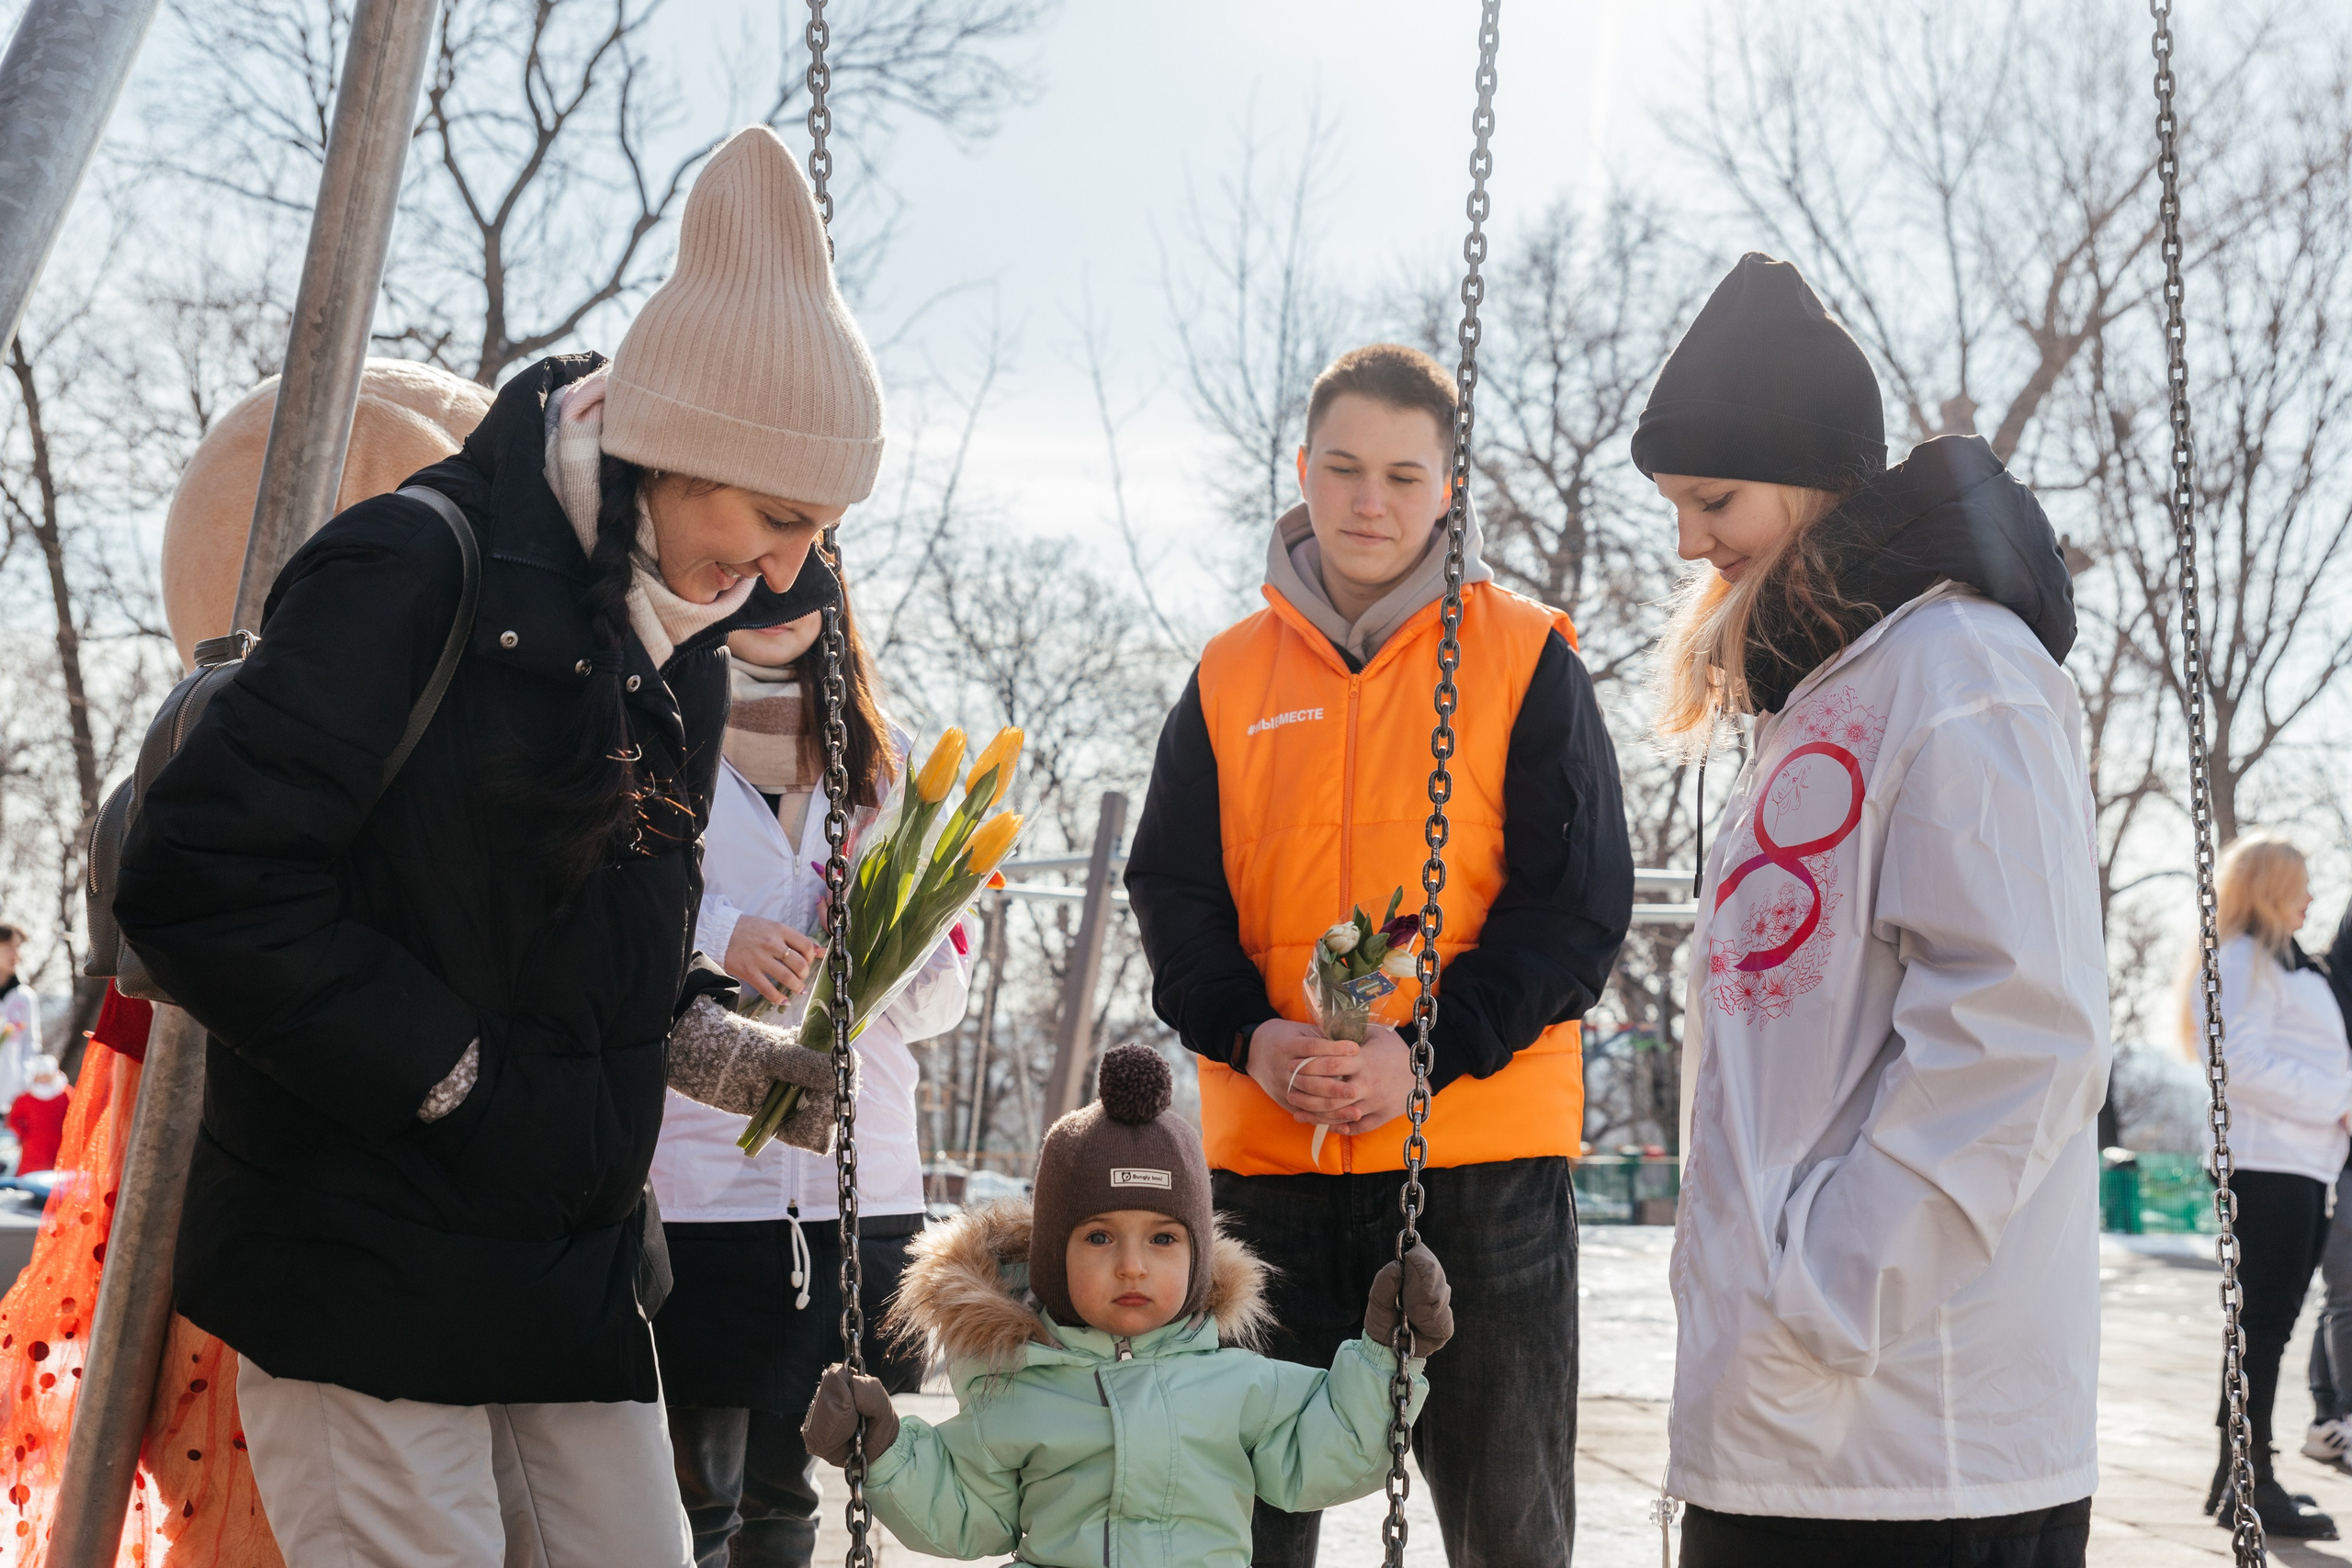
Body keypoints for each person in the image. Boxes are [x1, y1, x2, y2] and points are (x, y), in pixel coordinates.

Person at [111, 125, 882, 1568]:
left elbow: (573, 936)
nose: (787, 572)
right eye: (777, 517)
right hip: (359, 1251)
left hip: (568, 1269)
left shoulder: (686, 648)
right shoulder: (413, 566)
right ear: (678, 445)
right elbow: (200, 882)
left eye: (819, 533)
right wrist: (450, 1071)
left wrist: (711, 1042)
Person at [1125, 341, 1633, 1563]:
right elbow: (1174, 895)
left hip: (1481, 1164)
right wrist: (1254, 1035)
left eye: (1405, 476)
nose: (1370, 501)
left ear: (1448, 487)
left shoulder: (1524, 655)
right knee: (1238, 1529)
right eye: (1344, 468)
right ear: (1303, 469)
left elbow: (1575, 908)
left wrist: (1429, 1053)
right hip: (1270, 1167)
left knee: (1509, 1529)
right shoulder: (1228, 674)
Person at [1639, 254, 2109, 1567]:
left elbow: (2024, 1026)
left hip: (1916, 1438)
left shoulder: (1961, 673)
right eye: (1675, 506)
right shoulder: (1821, 695)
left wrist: (1829, 1289)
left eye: (1714, 499)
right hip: (1787, 1428)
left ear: (1813, 478)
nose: (1688, 543)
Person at [801, 1043, 1451, 1567]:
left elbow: (1331, 1450)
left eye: (1163, 1239)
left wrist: (1386, 1358)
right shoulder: (1015, 1388)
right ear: (1053, 1257)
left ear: (1198, 1258)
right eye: (1099, 1237)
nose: (1132, 1264)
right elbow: (967, 1513)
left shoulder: (1241, 1384)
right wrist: (882, 1450)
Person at [650, 593, 974, 1568]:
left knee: (791, 1483)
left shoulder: (892, 762)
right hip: (699, 1176)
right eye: (750, 579)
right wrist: (718, 938)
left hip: (850, 1176)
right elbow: (605, 918)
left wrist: (883, 953)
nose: (775, 602)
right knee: (693, 1477)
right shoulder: (658, 732)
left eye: (800, 580)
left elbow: (943, 998)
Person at [2179, 834, 2348, 1538]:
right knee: (2263, 1329)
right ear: (2272, 886)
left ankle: (2236, 1475)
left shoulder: (2282, 962)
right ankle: (2254, 1478)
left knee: (2262, 1328)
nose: (2312, 896)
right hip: (2269, 1163)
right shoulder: (2243, 958)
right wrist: (2340, 1100)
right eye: (2301, 883)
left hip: (2300, 1163)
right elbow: (2237, 1062)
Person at [2303, 893, 2352, 1480]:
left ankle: (2325, 1418)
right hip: (2331, 1151)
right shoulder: (2322, 981)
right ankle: (2340, 1415)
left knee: (2340, 1293)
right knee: (2346, 1295)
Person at [6, 1053, 69, 1176]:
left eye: (47, 1076)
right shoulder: (25, 1098)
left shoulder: (64, 1095)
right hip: (33, 1146)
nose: (44, 1079)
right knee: (30, 1175)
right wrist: (23, 1135)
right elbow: (13, 1119)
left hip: (59, 1144)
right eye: (41, 1076)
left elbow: (73, 1117)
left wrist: (67, 1135)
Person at [0, 923, 39, 1110]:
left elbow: (31, 1043)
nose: (16, 955)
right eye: (9, 947)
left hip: (12, 1101)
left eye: (18, 947)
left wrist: (24, 1079)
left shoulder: (25, 997)